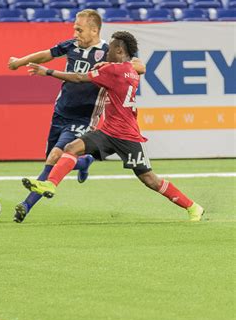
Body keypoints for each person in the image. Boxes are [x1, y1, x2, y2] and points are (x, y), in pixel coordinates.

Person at [22, 31, 205, 222]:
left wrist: (48, 72)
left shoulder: (112, 71)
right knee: (71, 148)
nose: (106, 51)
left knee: (149, 179)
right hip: (108, 131)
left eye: (109, 48)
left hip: (128, 136)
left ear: (118, 50)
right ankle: (51, 184)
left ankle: (193, 207)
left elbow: (78, 78)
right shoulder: (130, 70)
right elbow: (129, 68)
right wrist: (107, 64)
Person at [8, 9, 145, 223]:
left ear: (94, 30)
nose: (75, 32)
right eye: (74, 28)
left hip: (84, 117)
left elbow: (138, 65)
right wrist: (19, 62)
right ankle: (85, 162)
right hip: (61, 112)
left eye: (79, 29)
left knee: (55, 156)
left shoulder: (108, 52)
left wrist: (118, 66)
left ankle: (26, 205)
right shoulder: (71, 45)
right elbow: (46, 54)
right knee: (54, 159)